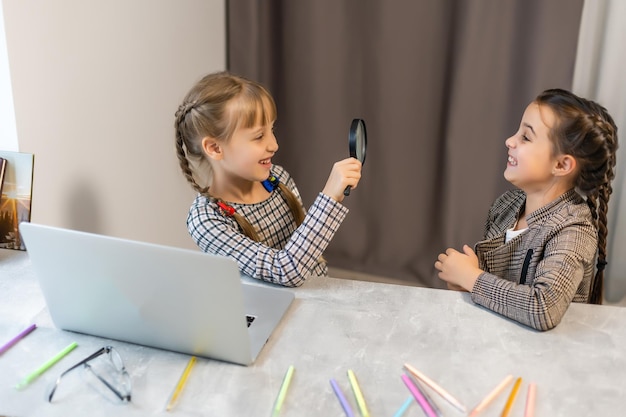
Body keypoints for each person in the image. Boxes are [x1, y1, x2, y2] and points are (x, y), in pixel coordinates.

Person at [435, 88, 618, 331]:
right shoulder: (506, 205)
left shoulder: (574, 231)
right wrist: (466, 281)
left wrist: (472, 278)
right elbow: (493, 289)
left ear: (561, 164)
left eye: (526, 137)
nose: (510, 141)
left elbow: (543, 309)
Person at [174, 71, 362, 287]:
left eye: (271, 129)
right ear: (215, 148)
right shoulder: (206, 220)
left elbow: (308, 255)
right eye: (259, 136)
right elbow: (286, 271)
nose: (274, 145)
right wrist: (329, 197)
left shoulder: (277, 178)